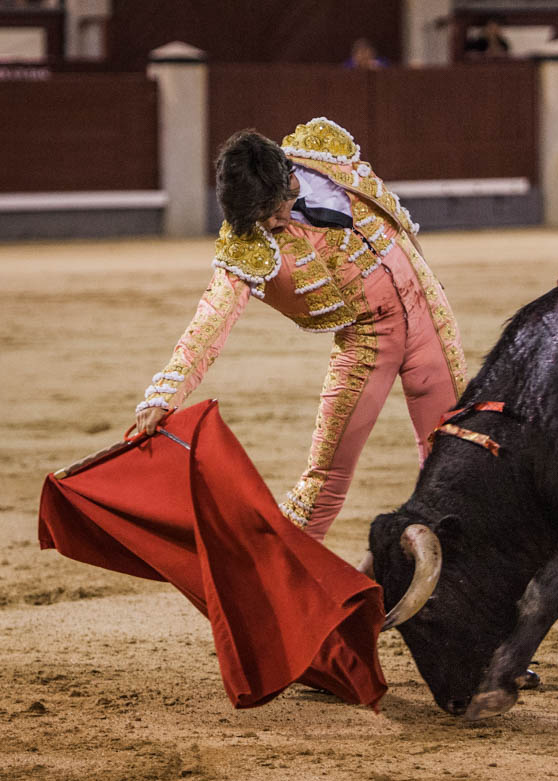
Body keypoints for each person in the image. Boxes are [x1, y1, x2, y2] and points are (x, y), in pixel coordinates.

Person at [134, 118, 466, 556]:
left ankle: (461, 573)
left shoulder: (326, 155)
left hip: (429, 316)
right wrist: (165, 394)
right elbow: (211, 319)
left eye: (276, 209)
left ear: (290, 177)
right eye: (261, 218)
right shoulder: (248, 244)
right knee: (324, 480)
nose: (274, 223)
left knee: (455, 457)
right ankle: (281, 578)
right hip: (368, 341)